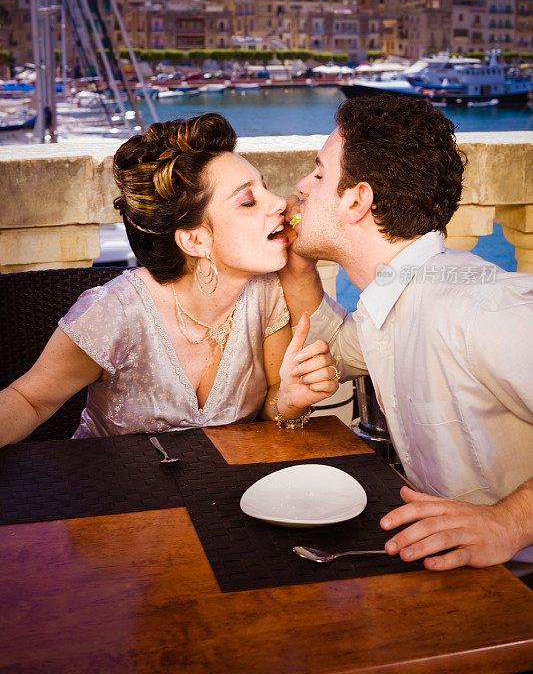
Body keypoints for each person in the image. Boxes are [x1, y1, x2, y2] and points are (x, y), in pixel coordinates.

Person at [280, 94, 533, 571]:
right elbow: (332, 348)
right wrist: (298, 270)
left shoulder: (479, 308)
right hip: (461, 575)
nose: (301, 187)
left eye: (318, 174)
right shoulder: (397, 290)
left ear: (358, 200)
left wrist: (509, 523)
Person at [0, 113, 339, 445]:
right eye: (249, 201)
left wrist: (291, 401)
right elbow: (29, 400)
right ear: (194, 240)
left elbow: (273, 404)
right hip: (107, 492)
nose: (280, 203)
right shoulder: (114, 314)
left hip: (221, 496)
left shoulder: (265, 293)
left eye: (264, 188)